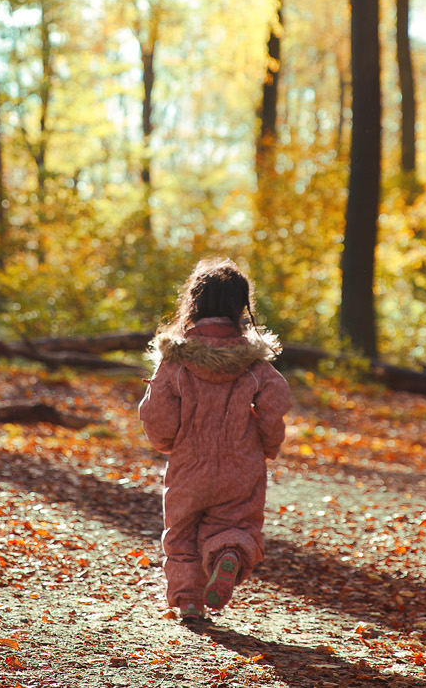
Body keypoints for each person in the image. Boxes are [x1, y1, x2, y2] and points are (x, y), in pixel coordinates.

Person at [138, 257, 291, 620]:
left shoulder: (176, 361)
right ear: (240, 308)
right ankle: (229, 556)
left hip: (189, 465)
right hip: (242, 466)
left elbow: (155, 413)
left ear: (194, 303)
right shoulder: (255, 365)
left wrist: (166, 442)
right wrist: (268, 445)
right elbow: (275, 403)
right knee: (235, 526)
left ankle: (188, 598)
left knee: (181, 535)